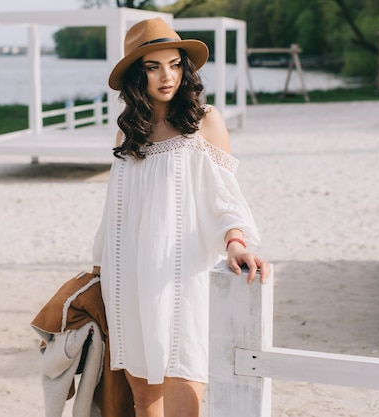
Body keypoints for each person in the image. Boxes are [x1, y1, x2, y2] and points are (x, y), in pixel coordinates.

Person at [91, 17, 271, 417]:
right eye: (153, 67)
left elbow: (225, 195)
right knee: (142, 396)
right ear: (138, 76)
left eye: (174, 64)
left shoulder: (205, 120)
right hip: (128, 276)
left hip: (180, 274)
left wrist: (236, 242)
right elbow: (115, 208)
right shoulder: (127, 133)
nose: (166, 76)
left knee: (184, 384)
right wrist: (99, 267)